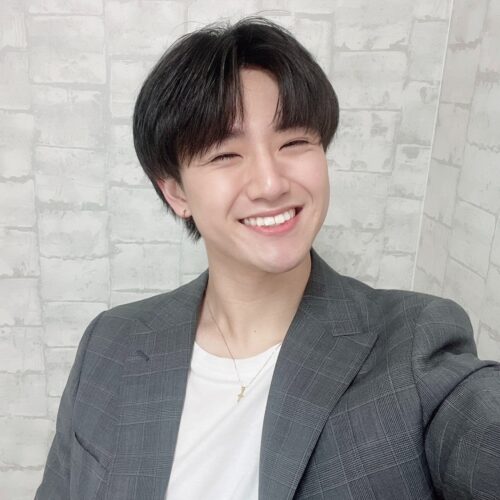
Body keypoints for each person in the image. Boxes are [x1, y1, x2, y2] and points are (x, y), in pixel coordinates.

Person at [35, 16, 500, 500]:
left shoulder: (414, 345)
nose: (271, 183)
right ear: (176, 192)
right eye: (224, 155)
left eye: (294, 142)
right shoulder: (109, 343)